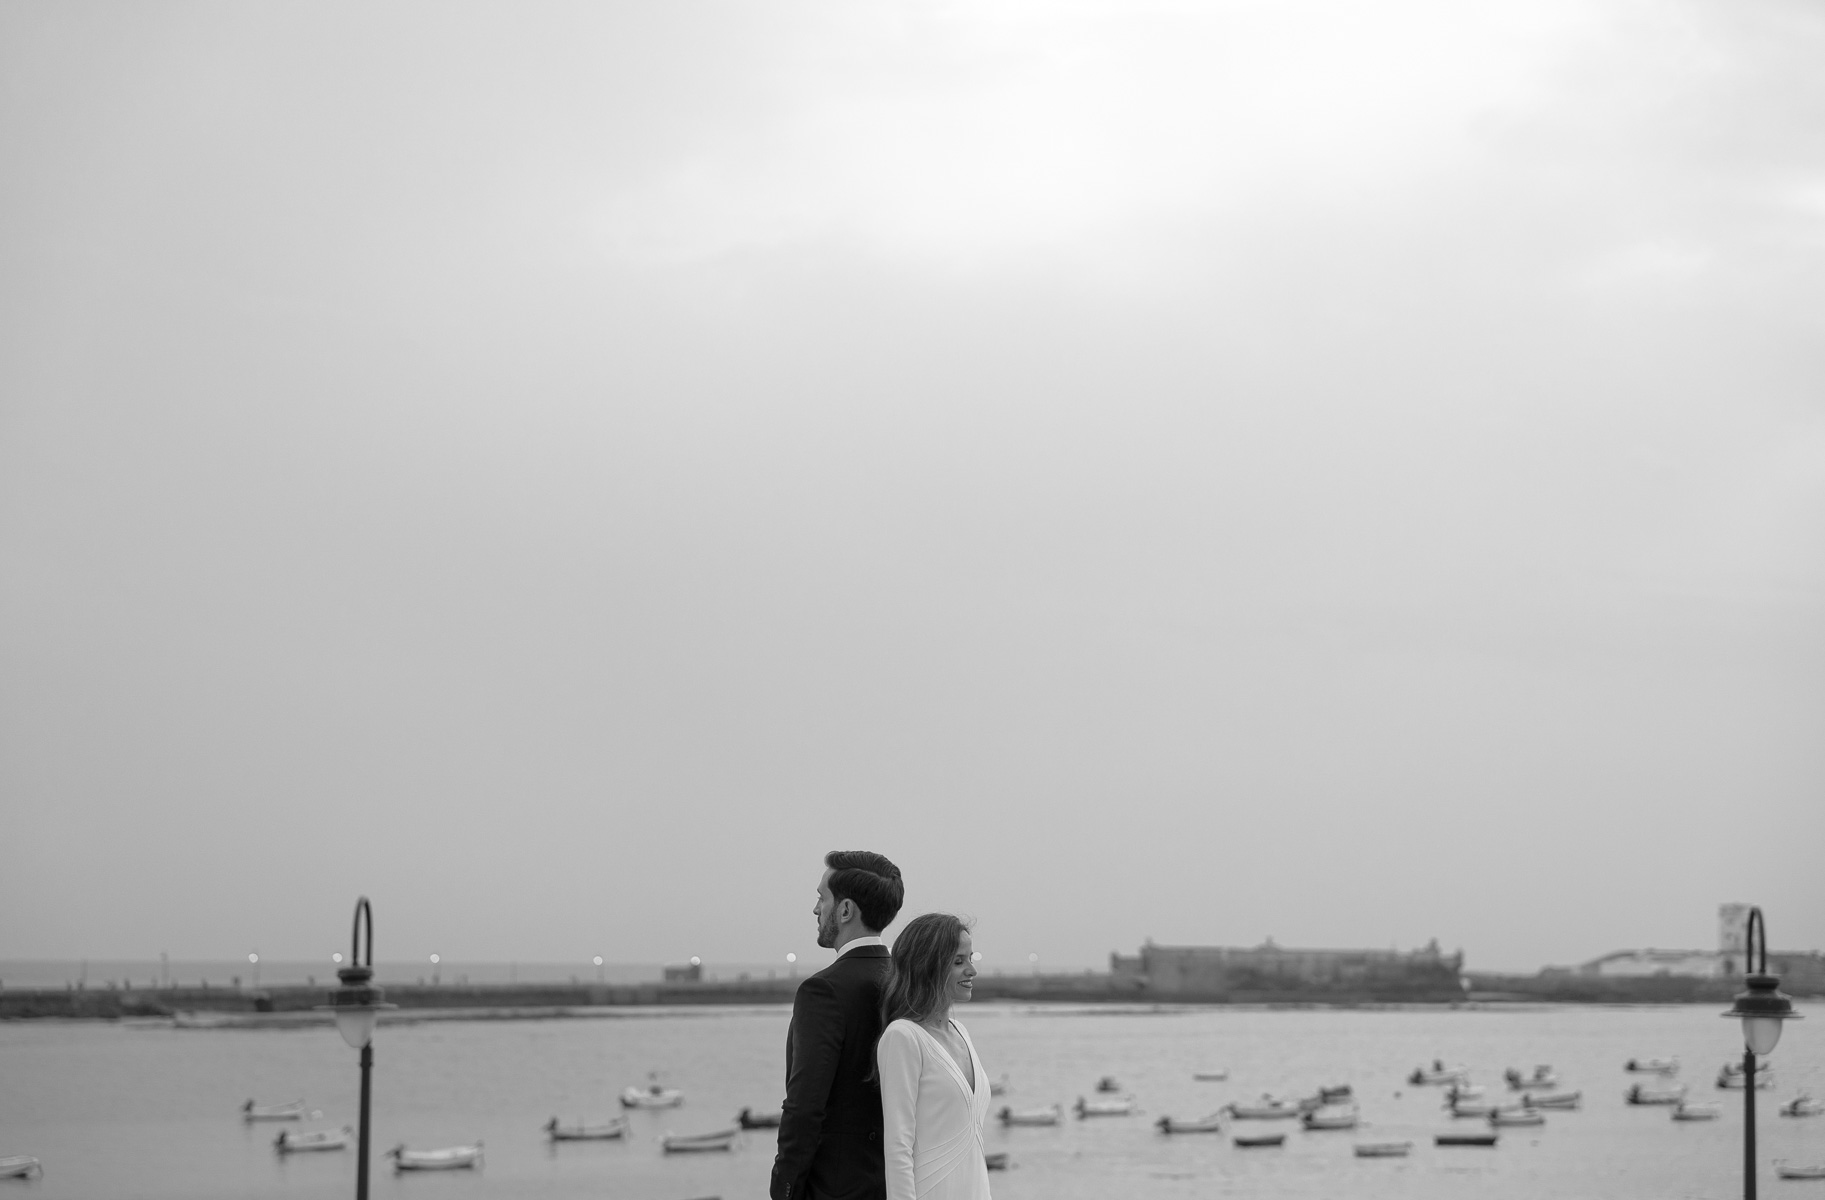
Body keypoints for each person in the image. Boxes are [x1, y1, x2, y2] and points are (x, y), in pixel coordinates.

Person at [772, 850, 906, 1200]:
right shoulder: (906, 983)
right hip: (900, 1184)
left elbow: (804, 1106)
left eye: (822, 898)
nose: (816, 909)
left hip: (833, 1189)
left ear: (845, 910)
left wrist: (784, 1189)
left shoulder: (823, 990)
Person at [875, 913, 991, 1200]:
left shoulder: (961, 1031)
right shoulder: (903, 1037)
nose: (972, 970)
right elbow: (898, 1148)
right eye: (958, 961)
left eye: (970, 958)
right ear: (929, 967)